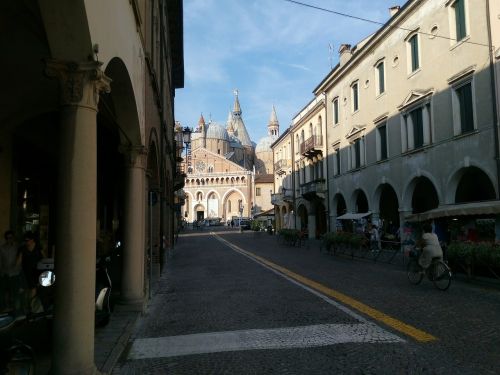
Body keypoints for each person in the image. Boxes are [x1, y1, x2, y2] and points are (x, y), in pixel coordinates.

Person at [18, 231, 44, 311]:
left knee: (34, 289)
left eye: (27, 240)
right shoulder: (23, 249)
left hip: (37, 271)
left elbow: (44, 258)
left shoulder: (38, 248)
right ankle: (31, 307)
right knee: (31, 290)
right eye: (25, 240)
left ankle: (32, 307)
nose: (26, 242)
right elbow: (19, 261)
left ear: (32, 240)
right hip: (27, 272)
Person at [0, 230, 22, 312]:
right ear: (6, 239)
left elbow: (20, 259)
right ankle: (5, 308)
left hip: (15, 273)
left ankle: (15, 309)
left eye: (11, 238)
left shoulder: (17, 247)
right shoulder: (2, 248)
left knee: (15, 292)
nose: (10, 239)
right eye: (8, 238)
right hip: (5, 273)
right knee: (4, 292)